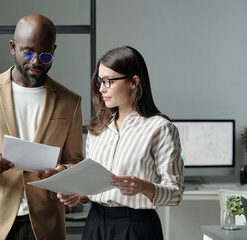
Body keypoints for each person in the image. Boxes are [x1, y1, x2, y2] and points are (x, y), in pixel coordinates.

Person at [0, 14, 83, 240]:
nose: (36, 62)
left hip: (46, 225)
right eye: (28, 52)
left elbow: (75, 160)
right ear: (13, 47)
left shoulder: (70, 101)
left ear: (53, 51)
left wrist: (63, 172)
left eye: (45, 55)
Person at [57, 46, 184, 240]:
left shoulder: (160, 128)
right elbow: (93, 187)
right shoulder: (97, 128)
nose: (101, 88)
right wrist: (79, 195)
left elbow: (176, 194)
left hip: (137, 226)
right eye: (100, 81)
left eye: (108, 81)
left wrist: (143, 187)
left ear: (134, 82)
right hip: (95, 223)